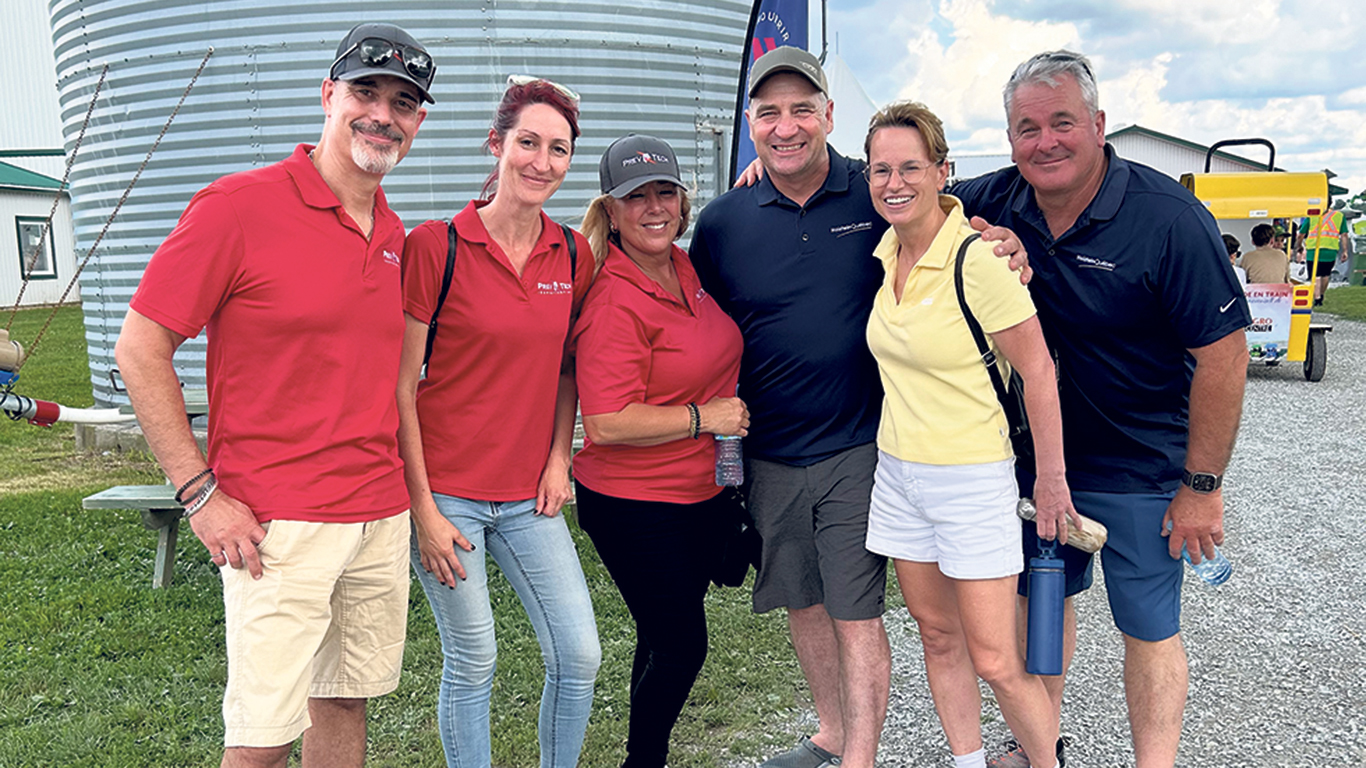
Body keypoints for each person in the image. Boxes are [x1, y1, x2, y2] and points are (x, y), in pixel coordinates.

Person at [693, 46, 1029, 768]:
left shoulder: (873, 188)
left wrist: (1003, 237)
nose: (786, 128)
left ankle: (860, 759)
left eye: (801, 110)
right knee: (802, 603)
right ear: (751, 124)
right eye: (769, 113)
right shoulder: (723, 222)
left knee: (854, 609)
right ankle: (832, 730)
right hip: (771, 450)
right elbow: (696, 320)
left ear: (828, 115)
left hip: (859, 445)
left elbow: (951, 216)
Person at [113, 22, 433, 768]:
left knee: (344, 700)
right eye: (365, 92)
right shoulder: (237, 208)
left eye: (404, 102)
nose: (382, 114)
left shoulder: (392, 233)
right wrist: (198, 492)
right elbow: (140, 347)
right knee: (260, 740)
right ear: (327, 95)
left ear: (419, 123)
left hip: (374, 515)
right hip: (277, 525)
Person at [950, 50, 1251, 768]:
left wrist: (1201, 487)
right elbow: (902, 193)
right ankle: (1039, 745)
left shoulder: (1168, 218)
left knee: (1148, 627)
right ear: (1009, 137)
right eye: (1027, 128)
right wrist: (783, 175)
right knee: (1042, 611)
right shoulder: (990, 201)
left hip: (1142, 465)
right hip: (1036, 464)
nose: (1045, 141)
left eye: (1062, 122)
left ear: (1098, 124)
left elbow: (1225, 356)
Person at [398, 76, 600, 768]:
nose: (542, 162)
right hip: (448, 492)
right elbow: (400, 386)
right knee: (475, 655)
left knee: (579, 653)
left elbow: (568, 368)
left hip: (527, 495)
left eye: (559, 150)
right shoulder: (436, 246)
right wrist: (422, 510)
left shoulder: (572, 254)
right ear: (497, 144)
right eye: (528, 143)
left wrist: (558, 458)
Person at [861, 100, 1070, 768]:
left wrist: (1052, 479)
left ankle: (1046, 762)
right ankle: (967, 761)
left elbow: (1038, 370)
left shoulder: (976, 258)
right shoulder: (886, 248)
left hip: (972, 477)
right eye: (880, 170)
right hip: (897, 474)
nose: (894, 183)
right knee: (938, 636)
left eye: (910, 168)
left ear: (943, 171)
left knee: (997, 659)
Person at [571, 134, 748, 768]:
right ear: (610, 211)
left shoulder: (681, 265)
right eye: (634, 196)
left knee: (660, 632)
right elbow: (609, 422)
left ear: (682, 201)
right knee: (681, 643)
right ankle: (643, 761)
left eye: (665, 192)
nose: (653, 207)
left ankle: (644, 756)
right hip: (634, 503)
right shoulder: (614, 298)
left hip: (697, 494)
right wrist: (707, 417)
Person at [1295, 201, 1348, 304]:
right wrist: (1345, 251)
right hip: (1330, 249)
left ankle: (1317, 298)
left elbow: (1301, 234)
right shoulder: (1339, 216)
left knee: (1315, 275)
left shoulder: (1312, 215)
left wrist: (1299, 246)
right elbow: (1344, 235)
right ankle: (1321, 294)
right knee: (1325, 274)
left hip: (1313, 249)